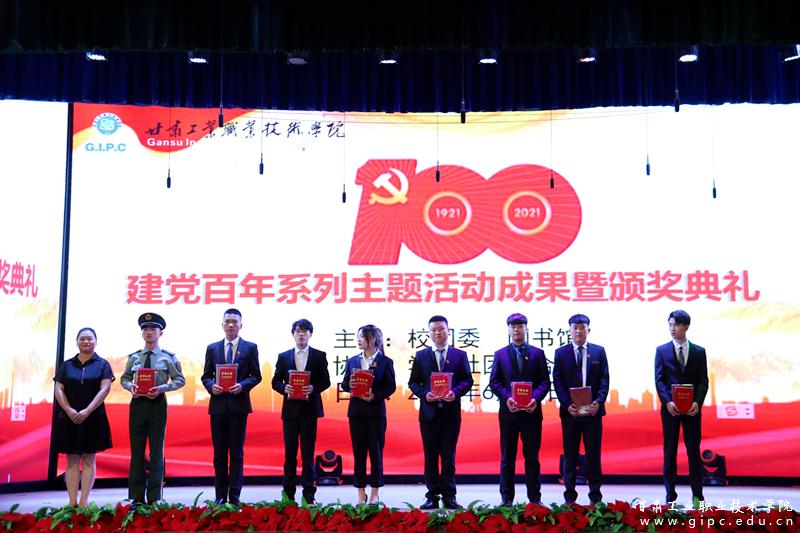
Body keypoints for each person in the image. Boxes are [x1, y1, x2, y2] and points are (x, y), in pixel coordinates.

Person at [407, 315, 474, 510]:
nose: (437, 332)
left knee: (448, 457)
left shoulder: (459, 355)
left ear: (448, 331)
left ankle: (449, 496)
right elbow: (413, 382)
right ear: (429, 333)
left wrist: (455, 392)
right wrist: (424, 394)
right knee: (430, 457)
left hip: (450, 415)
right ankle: (432, 497)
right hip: (429, 415)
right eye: (433, 330)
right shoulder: (421, 356)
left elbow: (467, 380)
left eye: (441, 329)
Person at [120, 312, 185, 506]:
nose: (149, 332)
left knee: (157, 452)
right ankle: (136, 497)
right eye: (145, 329)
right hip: (138, 405)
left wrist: (162, 388)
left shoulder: (168, 357)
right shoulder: (134, 357)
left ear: (160, 333)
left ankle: (155, 498)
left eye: (153, 329)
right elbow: (124, 378)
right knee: (137, 452)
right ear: (142, 333)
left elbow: (180, 380)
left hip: (157, 404)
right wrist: (130, 386)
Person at [201, 308, 262, 506]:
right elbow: (206, 376)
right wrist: (211, 386)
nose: (230, 325)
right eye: (227, 321)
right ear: (222, 325)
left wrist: (242, 386)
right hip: (218, 407)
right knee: (219, 455)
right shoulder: (212, 348)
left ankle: (234, 497)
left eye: (234, 322)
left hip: (238, 407)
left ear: (240, 325)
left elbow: (256, 376)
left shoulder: (250, 348)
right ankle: (220, 496)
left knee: (236, 454)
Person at [489, 313, 550, 506]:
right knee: (507, 458)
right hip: (509, 414)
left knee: (532, 458)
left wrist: (535, 398)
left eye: (520, 326)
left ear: (526, 329)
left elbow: (545, 382)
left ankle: (535, 498)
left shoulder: (538, 353)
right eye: (513, 326)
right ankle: (506, 499)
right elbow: (494, 382)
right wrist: (507, 397)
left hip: (532, 414)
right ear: (508, 330)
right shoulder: (500, 354)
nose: (517, 329)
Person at [271, 319, 331, 504]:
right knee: (290, 453)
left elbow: (326, 381)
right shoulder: (283, 356)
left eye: (305, 331)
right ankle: (288, 495)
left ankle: (309, 496)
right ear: (293, 334)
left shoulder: (319, 356)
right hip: (290, 412)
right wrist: (284, 388)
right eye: (298, 331)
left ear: (310, 334)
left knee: (308, 454)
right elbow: (275, 382)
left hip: (309, 411)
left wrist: (313, 388)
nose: (301, 334)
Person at [52, 327, 114, 507]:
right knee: (71, 459)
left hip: (93, 417)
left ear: (96, 341)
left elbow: (105, 389)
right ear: (77, 342)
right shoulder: (66, 365)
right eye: (82, 339)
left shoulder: (103, 364)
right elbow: (58, 389)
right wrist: (69, 409)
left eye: (89, 338)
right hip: (69, 417)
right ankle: (72, 501)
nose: (86, 341)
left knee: (88, 458)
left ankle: (84, 501)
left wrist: (87, 411)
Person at [552, 314, 609, 505]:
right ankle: (569, 498)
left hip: (593, 413)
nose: (578, 331)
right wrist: (567, 404)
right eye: (575, 327)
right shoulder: (561, 353)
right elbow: (557, 380)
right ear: (569, 330)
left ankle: (595, 497)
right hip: (571, 413)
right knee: (570, 456)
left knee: (593, 456)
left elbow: (604, 379)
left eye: (582, 327)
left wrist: (598, 402)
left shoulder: (599, 352)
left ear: (588, 330)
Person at [655, 310, 709, 505]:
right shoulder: (661, 351)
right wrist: (667, 402)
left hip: (692, 411)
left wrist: (697, 402)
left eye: (676, 325)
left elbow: (703, 381)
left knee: (693, 453)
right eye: (670, 324)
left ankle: (698, 497)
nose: (672, 328)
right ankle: (670, 497)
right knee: (669, 453)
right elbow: (659, 380)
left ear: (686, 327)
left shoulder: (699, 352)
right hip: (670, 410)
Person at [340, 324, 396, 505]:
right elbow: (344, 384)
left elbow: (391, 386)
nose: (358, 340)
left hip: (376, 413)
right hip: (356, 412)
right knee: (359, 454)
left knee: (376, 453)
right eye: (357, 337)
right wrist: (350, 385)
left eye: (361, 337)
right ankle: (360, 492)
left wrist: (375, 395)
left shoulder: (386, 362)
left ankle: (375, 493)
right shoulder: (352, 361)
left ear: (372, 339)